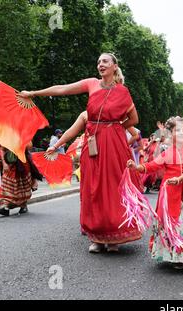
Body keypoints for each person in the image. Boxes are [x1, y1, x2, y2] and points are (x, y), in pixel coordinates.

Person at [19, 52, 141, 253]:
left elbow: (134, 120)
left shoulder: (123, 92)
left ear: (114, 66)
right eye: (99, 61)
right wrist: (33, 93)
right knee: (93, 188)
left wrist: (114, 127)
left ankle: (114, 237)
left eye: (105, 61)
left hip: (114, 145)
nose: (100, 64)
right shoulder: (91, 83)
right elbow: (62, 89)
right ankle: (97, 236)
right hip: (93, 144)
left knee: (113, 187)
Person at [128, 117, 183, 269]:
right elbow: (152, 166)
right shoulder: (167, 152)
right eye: (177, 130)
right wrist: (136, 167)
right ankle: (177, 256)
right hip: (169, 192)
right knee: (174, 224)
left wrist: (181, 177)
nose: (182, 133)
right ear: (170, 134)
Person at [0, 142, 42, 216]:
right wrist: (4, 164)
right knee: (7, 186)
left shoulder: (24, 134)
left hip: (23, 165)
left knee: (23, 187)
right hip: (10, 165)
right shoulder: (5, 135)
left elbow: (29, 146)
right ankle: (5, 207)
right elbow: (2, 149)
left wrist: (20, 143)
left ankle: (23, 206)